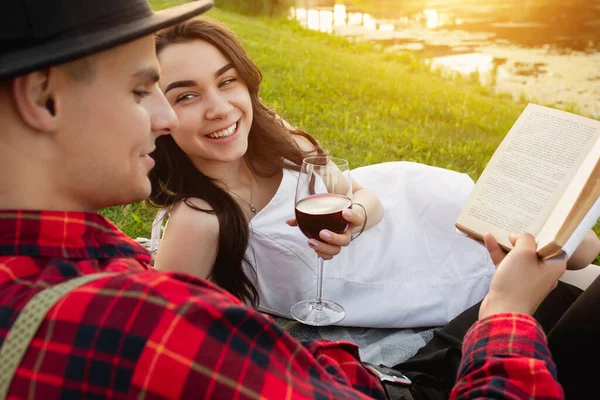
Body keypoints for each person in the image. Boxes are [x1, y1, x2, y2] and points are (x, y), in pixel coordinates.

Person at [0, 1, 596, 399]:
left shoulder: (81, 261)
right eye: (142, 91)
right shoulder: (157, 318)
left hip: (388, 291)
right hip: (401, 371)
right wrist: (505, 314)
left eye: (226, 81)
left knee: (572, 270)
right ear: (44, 99)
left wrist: (358, 216)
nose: (158, 118)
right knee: (570, 288)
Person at [148, 17, 498, 328]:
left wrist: (356, 218)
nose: (220, 109)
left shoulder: (273, 136)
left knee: (526, 236)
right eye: (187, 96)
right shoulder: (199, 219)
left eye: (227, 81)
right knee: (520, 265)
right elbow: (158, 334)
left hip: (416, 208)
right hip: (413, 275)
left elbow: (362, 194)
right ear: (158, 115)